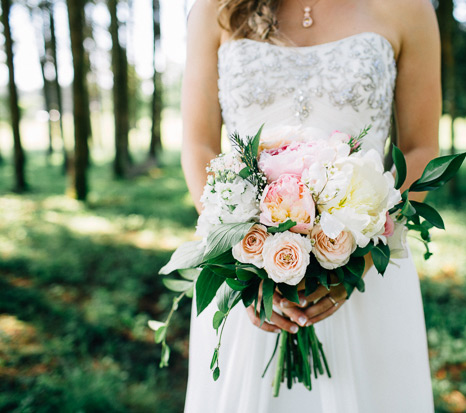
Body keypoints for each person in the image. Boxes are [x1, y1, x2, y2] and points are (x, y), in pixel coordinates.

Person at [181, 0, 440, 411]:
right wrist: (241, 255)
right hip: (248, 274)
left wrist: (360, 263)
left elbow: (420, 147)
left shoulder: (410, 8)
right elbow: (198, 143)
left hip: (368, 273)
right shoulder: (214, 7)